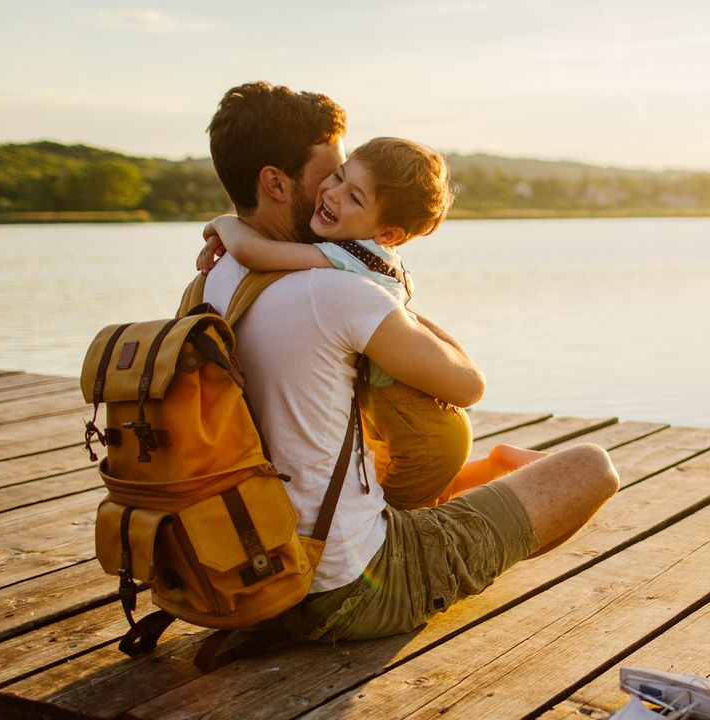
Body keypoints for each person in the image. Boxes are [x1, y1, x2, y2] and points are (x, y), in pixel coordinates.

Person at [195, 81, 619, 642]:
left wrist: (227, 226)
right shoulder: (334, 291)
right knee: (591, 468)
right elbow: (467, 384)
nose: (332, 188)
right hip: (345, 587)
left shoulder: (210, 281)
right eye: (331, 173)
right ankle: (467, 532)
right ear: (275, 183)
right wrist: (391, 297)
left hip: (251, 572)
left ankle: (482, 487)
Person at [197, 136, 481, 511]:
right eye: (338, 176)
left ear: (388, 233)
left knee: (394, 516)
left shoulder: (343, 257)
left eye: (355, 198)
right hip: (409, 421)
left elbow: (254, 252)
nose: (332, 194)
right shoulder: (377, 255)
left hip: (420, 434)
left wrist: (223, 222)